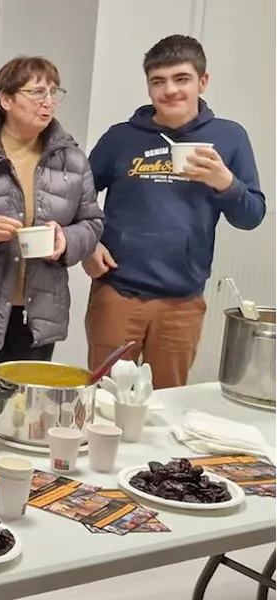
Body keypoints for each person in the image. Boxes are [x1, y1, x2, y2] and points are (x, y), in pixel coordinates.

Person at [84, 35, 265, 388]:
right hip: (117, 293)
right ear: (149, 87)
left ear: (203, 81)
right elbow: (77, 197)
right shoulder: (120, 138)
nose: (170, 90)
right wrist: (88, 245)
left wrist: (226, 183)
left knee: (166, 406)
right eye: (158, 81)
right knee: (101, 399)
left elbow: (252, 216)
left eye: (181, 79)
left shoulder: (229, 138)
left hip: (183, 301)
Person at [0, 56, 103, 378]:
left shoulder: (73, 160)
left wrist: (66, 240)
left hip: (37, 314)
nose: (49, 102)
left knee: (20, 411)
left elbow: (93, 222)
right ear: (6, 99)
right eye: (38, 92)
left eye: (54, 92)